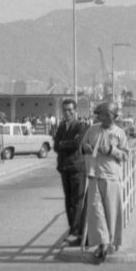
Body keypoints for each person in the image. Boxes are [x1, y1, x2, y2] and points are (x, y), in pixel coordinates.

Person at [79, 101, 129, 262]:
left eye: (107, 115)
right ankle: (104, 242)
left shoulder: (120, 133)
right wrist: (85, 148)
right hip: (94, 174)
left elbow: (126, 155)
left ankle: (108, 244)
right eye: (101, 114)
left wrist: (112, 151)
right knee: (95, 210)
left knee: (111, 211)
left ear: (114, 116)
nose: (103, 117)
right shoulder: (92, 130)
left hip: (112, 177)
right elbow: (82, 146)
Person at [53, 98, 89, 246]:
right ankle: (73, 231)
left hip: (77, 168)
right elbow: (55, 146)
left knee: (77, 201)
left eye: (70, 110)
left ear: (75, 111)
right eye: (65, 110)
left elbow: (77, 144)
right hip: (64, 168)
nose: (67, 113)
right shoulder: (61, 127)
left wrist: (63, 144)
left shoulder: (81, 126)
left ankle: (76, 232)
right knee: (68, 201)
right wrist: (63, 144)